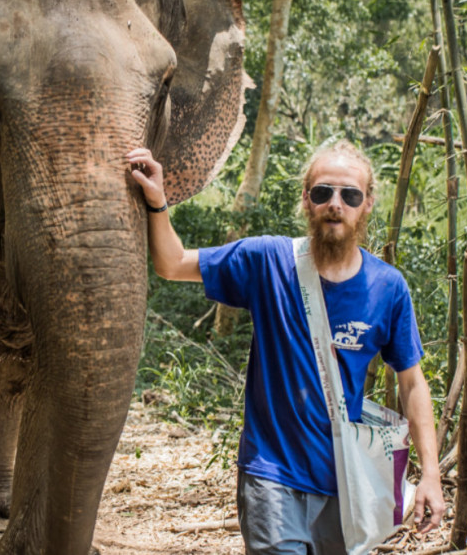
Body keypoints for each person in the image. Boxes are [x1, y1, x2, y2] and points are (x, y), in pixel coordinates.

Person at [126, 141, 445, 553]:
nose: (335, 204)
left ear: (367, 204)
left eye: (350, 195)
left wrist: (431, 475)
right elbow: (172, 264)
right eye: (323, 192)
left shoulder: (387, 287)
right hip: (271, 477)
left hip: (347, 483)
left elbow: (412, 383)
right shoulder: (268, 261)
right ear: (306, 199)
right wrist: (157, 200)